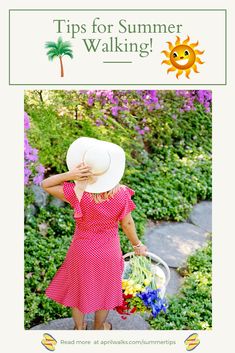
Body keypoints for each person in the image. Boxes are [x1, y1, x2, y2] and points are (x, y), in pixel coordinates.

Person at [41, 137, 148, 330]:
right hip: (109, 252)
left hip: (81, 251)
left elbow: (46, 185)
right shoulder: (122, 194)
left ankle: (79, 328)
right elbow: (127, 223)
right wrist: (137, 245)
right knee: (105, 292)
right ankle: (99, 327)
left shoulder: (77, 192)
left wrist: (70, 174)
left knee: (77, 292)